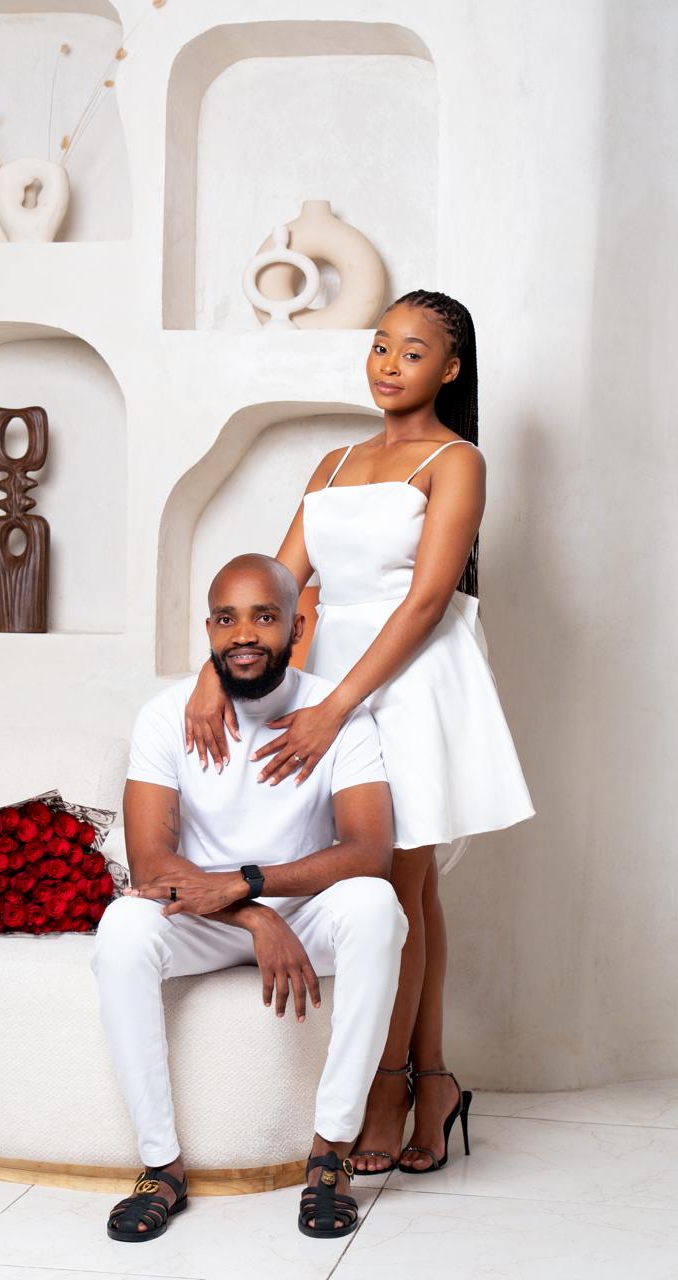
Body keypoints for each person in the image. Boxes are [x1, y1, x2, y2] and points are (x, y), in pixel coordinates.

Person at [185, 290, 535, 1176]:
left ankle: (389, 1088)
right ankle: (434, 1081)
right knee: (408, 887)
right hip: (333, 673)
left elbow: (427, 599)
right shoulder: (334, 462)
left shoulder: (456, 461)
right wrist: (209, 675)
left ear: (449, 369)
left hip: (409, 681)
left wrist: (336, 707)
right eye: (380, 345)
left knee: (395, 877)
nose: (388, 364)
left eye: (412, 352)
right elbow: (278, 582)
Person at [91, 553, 408, 1242]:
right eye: (227, 618)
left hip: (303, 913)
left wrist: (253, 883)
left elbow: (368, 852)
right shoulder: (166, 715)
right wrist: (253, 915)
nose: (244, 634)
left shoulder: (337, 714)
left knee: (377, 909)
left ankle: (329, 1155)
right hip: (205, 917)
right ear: (208, 629)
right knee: (122, 928)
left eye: (264, 617)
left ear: (297, 627)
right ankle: (161, 1167)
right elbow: (151, 862)